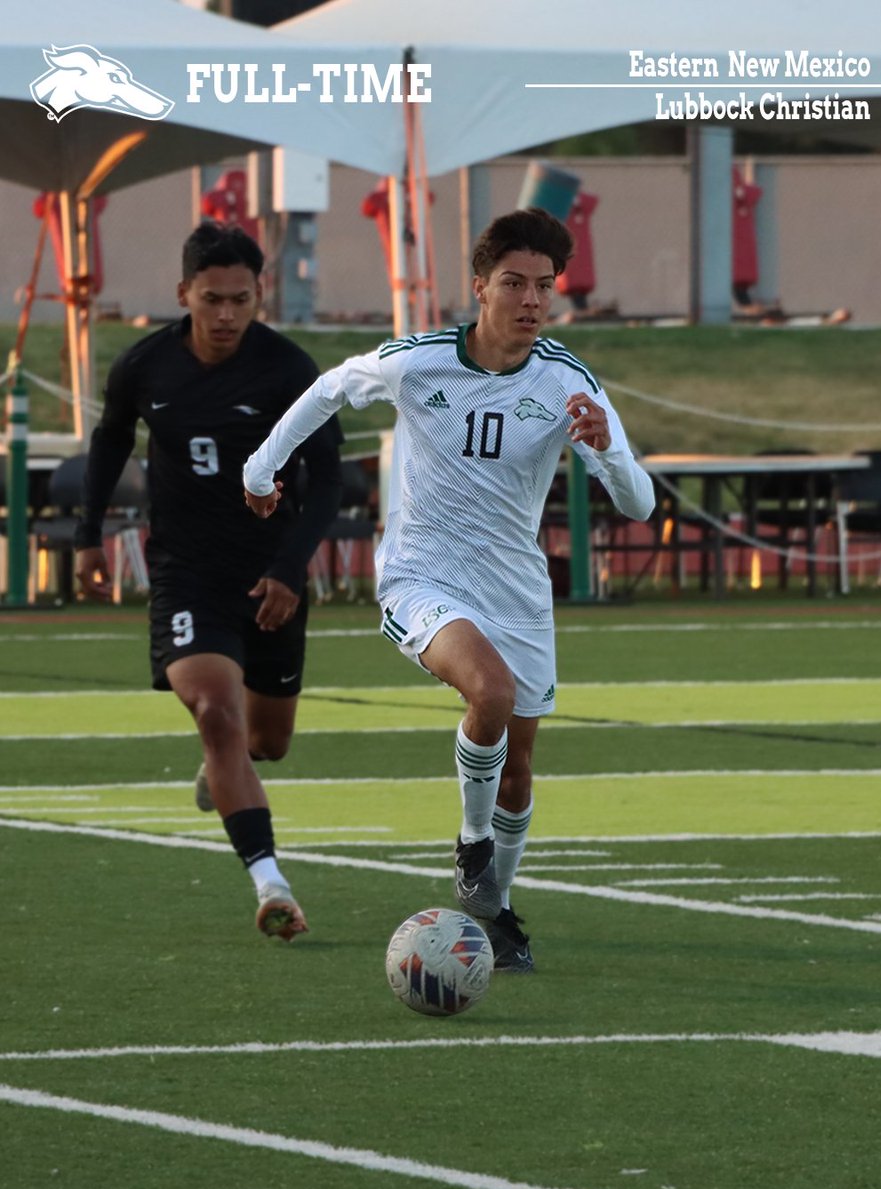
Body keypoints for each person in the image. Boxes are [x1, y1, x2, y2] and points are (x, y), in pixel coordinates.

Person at [243, 207, 654, 970]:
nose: (532, 299)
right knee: (489, 695)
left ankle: (492, 911)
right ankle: (470, 848)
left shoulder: (567, 382)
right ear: (479, 288)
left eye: (545, 285)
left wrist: (608, 452)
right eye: (514, 283)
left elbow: (639, 503)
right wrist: (259, 470)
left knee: (520, 765)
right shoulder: (419, 362)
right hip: (422, 577)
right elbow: (330, 390)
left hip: (518, 591)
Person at [74, 221, 343, 942]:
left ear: (261, 296)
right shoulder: (144, 366)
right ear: (183, 293)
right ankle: (270, 884)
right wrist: (88, 534)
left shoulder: (289, 371)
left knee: (267, 741)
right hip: (185, 574)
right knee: (216, 715)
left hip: (269, 579)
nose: (226, 315)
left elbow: (328, 481)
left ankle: (224, 770)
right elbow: (109, 439)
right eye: (212, 299)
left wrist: (290, 567)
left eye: (241, 300)